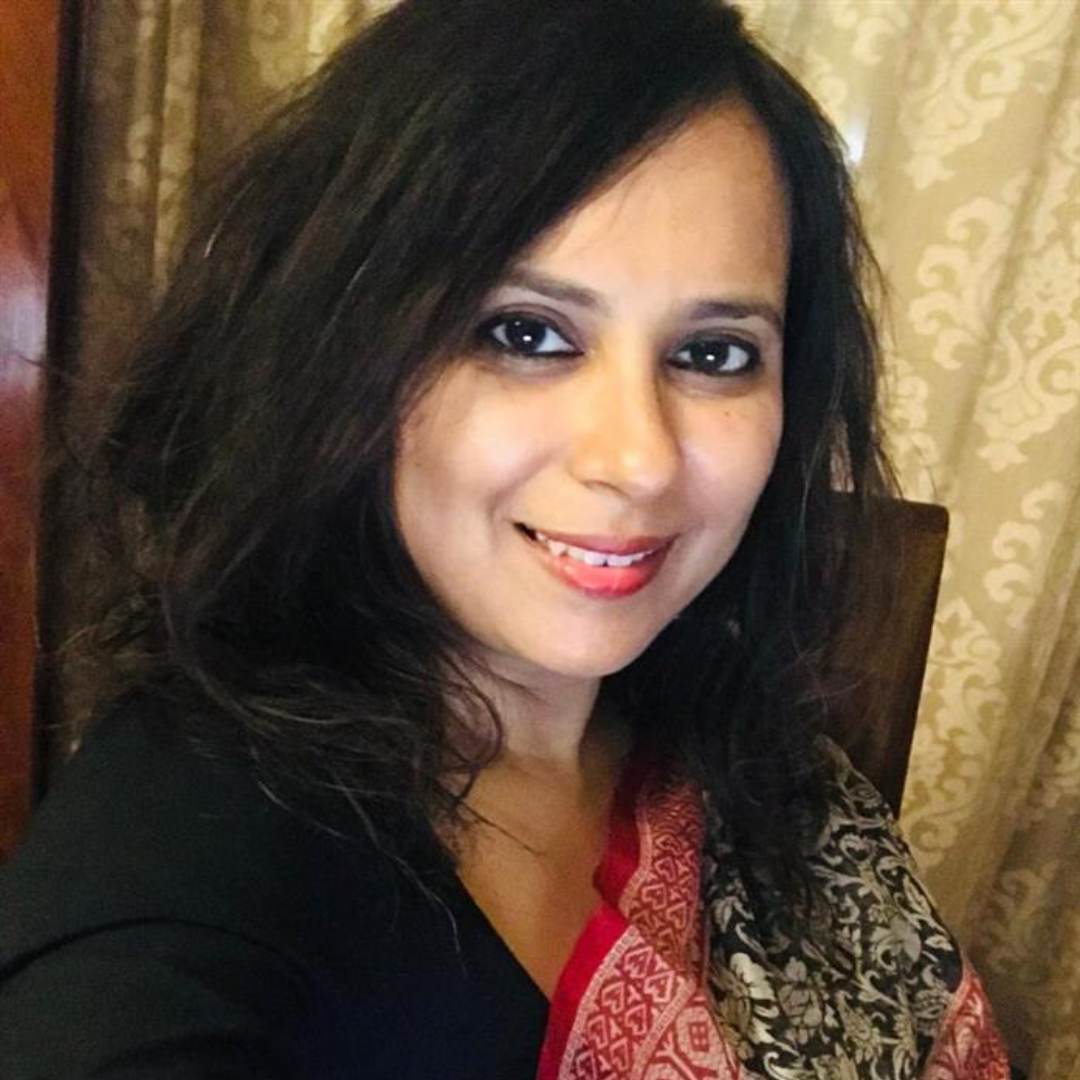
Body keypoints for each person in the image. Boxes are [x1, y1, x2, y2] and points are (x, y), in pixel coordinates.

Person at [0, 1, 1012, 1077]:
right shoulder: (179, 865)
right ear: (340, 358)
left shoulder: (762, 763)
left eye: (714, 353)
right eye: (525, 334)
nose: (639, 459)